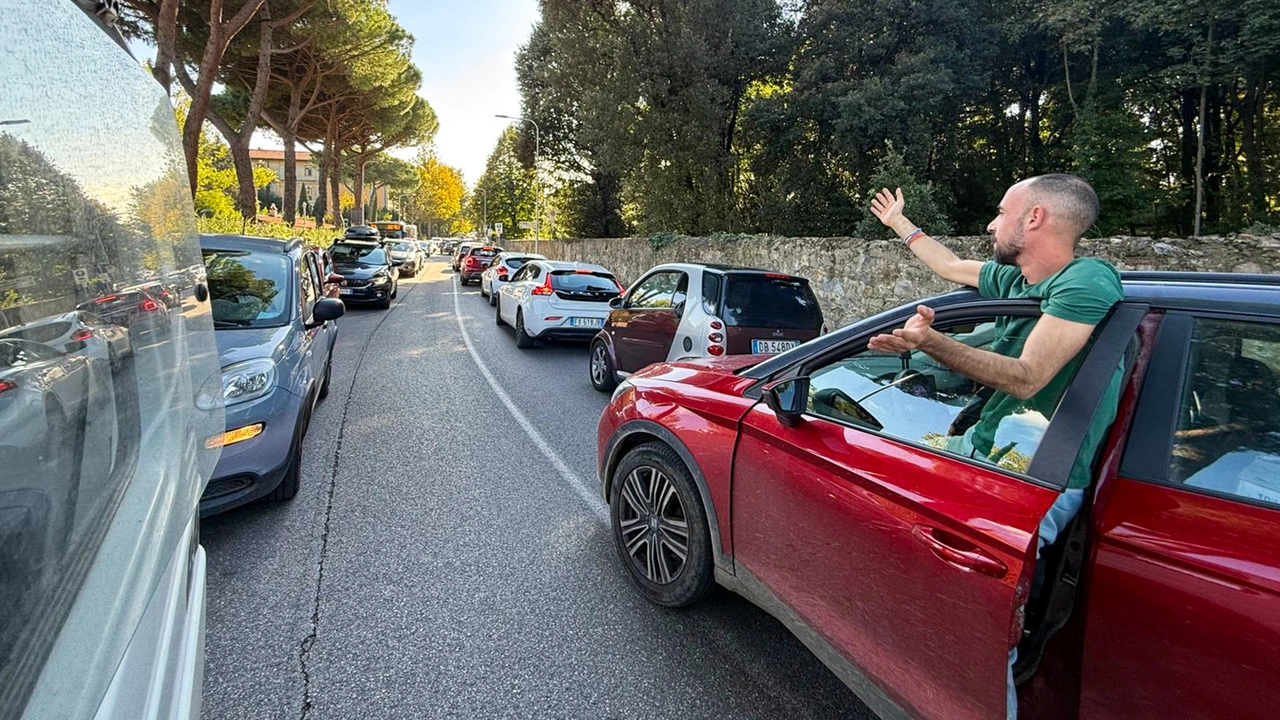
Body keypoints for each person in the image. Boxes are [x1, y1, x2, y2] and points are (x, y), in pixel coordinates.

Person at [868, 174, 1124, 719]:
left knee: (980, 642)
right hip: (997, 462)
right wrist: (899, 224)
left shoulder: (1087, 280)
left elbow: (1029, 376)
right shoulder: (1016, 281)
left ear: (1035, 218)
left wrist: (932, 343)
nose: (990, 223)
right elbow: (947, 267)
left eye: (1002, 210)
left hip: (1039, 480)